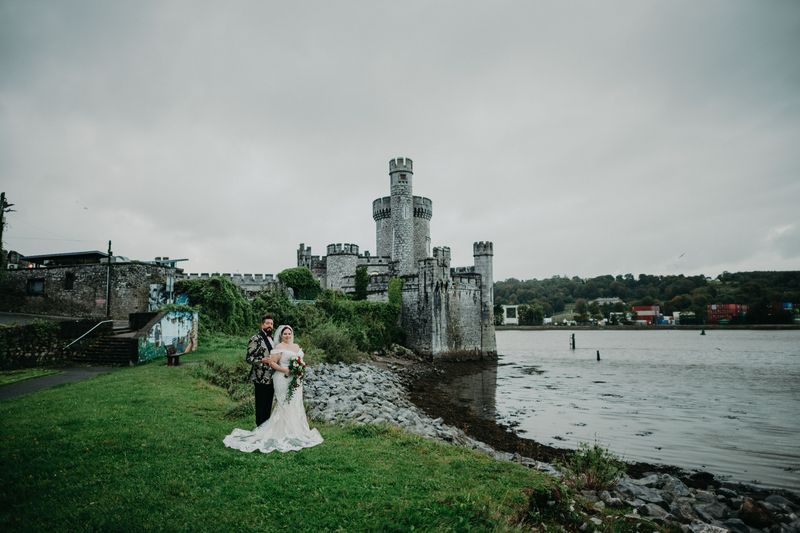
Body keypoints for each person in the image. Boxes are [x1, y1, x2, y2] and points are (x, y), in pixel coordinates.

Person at [223, 325, 323, 453]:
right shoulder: (279, 347)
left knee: (295, 403)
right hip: (282, 378)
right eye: (285, 334)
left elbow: (301, 361)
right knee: (283, 403)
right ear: (281, 335)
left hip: (296, 379)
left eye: (289, 333)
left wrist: (300, 369)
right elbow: (272, 363)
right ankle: (281, 431)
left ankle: (295, 430)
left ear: (292, 334)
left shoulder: (296, 346)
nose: (287, 335)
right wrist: (286, 370)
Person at [246, 314, 276, 427]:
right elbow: (249, 358)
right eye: (267, 323)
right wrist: (262, 360)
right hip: (260, 376)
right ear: (262, 325)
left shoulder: (273, 339)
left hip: (272, 377)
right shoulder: (255, 338)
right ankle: (259, 427)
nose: (270, 326)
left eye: (271, 324)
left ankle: (266, 428)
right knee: (260, 404)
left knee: (268, 403)